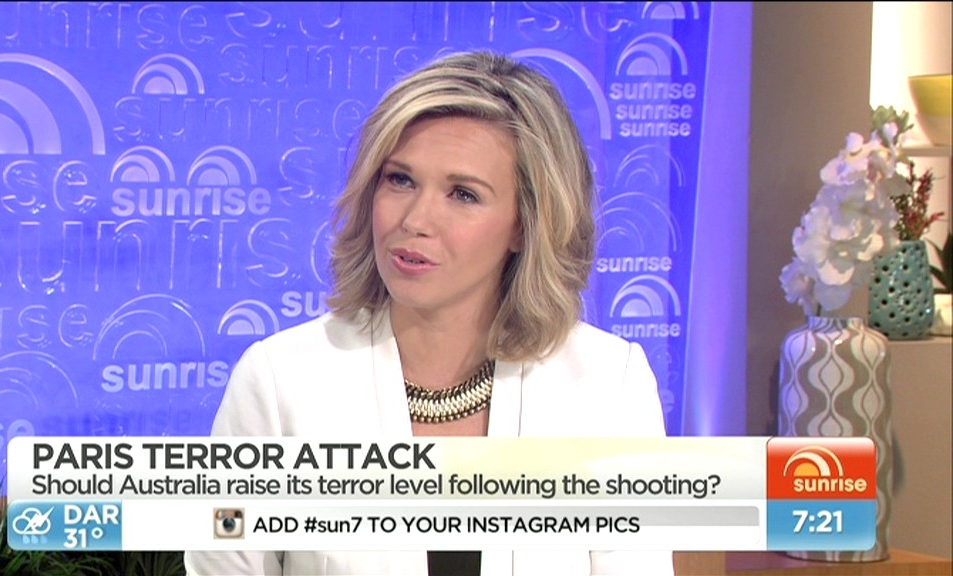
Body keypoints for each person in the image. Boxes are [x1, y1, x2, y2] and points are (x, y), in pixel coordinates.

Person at [185, 50, 674, 576]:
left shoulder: (607, 385)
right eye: (400, 180)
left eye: (462, 194)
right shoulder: (280, 381)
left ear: (524, 224)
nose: (416, 220)